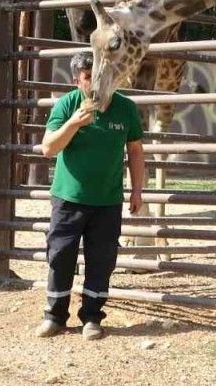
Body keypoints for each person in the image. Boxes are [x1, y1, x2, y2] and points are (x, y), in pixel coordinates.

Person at [34, 52, 145, 341]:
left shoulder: (125, 108)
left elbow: (135, 151)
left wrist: (136, 190)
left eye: (101, 76)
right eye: (88, 77)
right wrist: (73, 124)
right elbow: (48, 148)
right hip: (68, 199)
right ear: (77, 81)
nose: (96, 83)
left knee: (102, 261)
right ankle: (54, 316)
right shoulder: (67, 104)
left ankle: (92, 317)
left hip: (108, 201)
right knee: (60, 257)